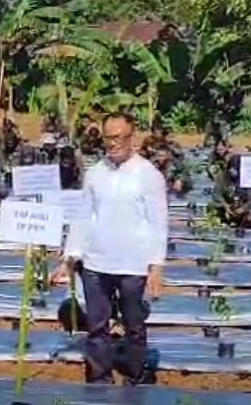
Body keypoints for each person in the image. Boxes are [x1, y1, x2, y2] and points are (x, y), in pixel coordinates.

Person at [53, 112, 168, 385]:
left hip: (134, 264)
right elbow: (83, 218)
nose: (113, 143)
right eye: (108, 138)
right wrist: (70, 259)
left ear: (131, 137)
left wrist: (157, 266)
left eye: (119, 138)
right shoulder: (95, 174)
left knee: (134, 327)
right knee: (96, 328)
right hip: (96, 264)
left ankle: (135, 377)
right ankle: (99, 381)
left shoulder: (148, 175)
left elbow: (158, 223)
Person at [210, 155, 251, 228]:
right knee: (212, 208)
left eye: (235, 170)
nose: (232, 172)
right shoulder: (222, 176)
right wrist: (225, 205)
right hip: (227, 205)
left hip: (244, 207)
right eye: (231, 170)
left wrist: (243, 208)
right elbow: (216, 194)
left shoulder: (249, 177)